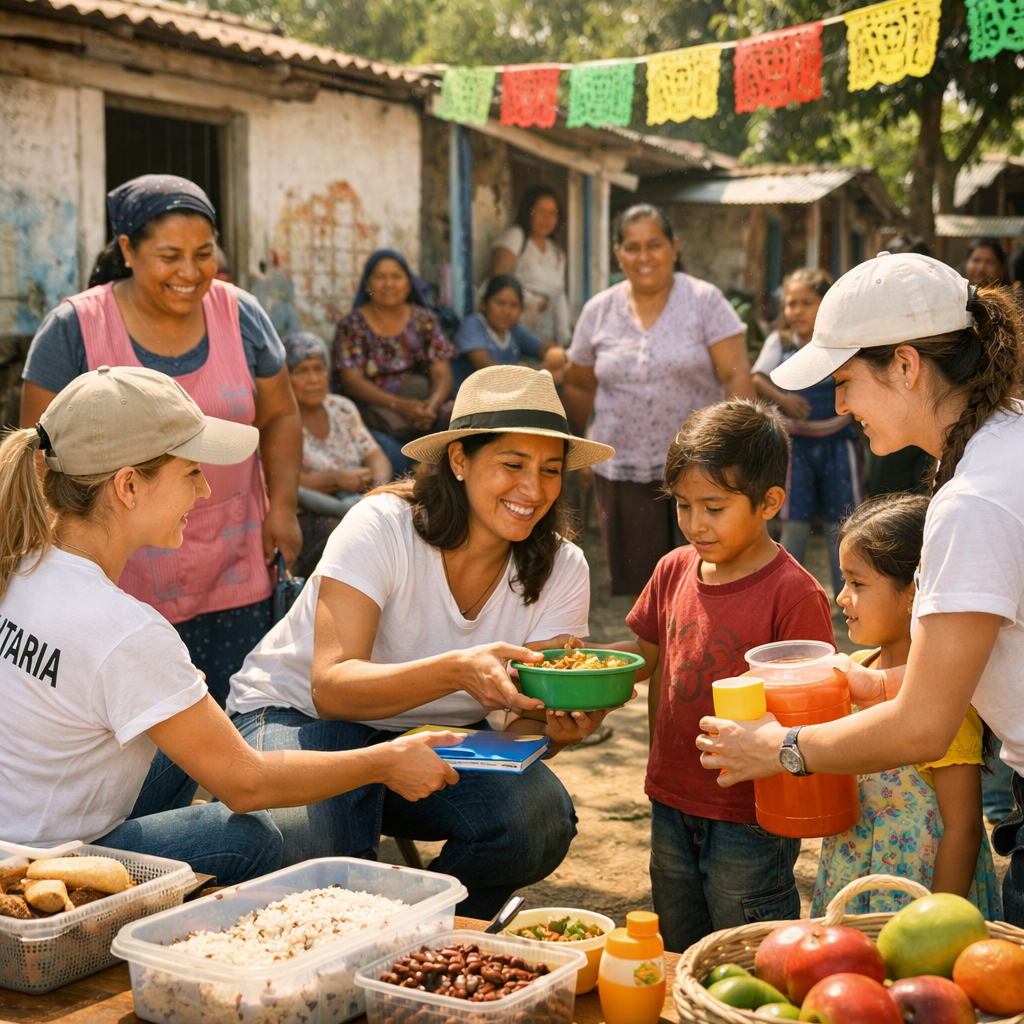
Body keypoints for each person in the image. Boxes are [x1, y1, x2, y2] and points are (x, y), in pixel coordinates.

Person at [0, 365, 463, 883]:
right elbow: (247, 783)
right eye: (190, 472)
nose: (204, 491)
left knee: (187, 730)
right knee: (247, 838)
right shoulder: (126, 631)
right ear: (128, 485)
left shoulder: (18, 561)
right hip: (41, 869)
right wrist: (383, 760)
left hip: (13, 828)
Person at [696, 252, 1024, 925]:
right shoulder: (1000, 445)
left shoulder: (975, 499)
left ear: (906, 366)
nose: (839, 404)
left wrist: (779, 749)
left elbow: (924, 727)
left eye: (846, 381)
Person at [227, 366, 620, 918]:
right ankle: (369, 931)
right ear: (459, 459)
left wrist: (553, 729)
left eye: (550, 471)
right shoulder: (383, 524)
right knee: (314, 848)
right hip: (296, 715)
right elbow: (331, 687)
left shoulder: (562, 565)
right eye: (512, 464)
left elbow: (527, 717)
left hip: (429, 742)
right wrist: (459, 671)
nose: (533, 490)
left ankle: (423, 927)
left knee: (537, 818)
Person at [20, 175, 302, 708]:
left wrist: (283, 506)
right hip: (120, 575)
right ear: (127, 249)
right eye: (169, 255)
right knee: (141, 742)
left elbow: (282, 413)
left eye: (204, 254)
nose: (191, 273)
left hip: (236, 562)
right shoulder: (73, 328)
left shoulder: (241, 314)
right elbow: (41, 459)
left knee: (239, 717)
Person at [591, 400, 835, 952]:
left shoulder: (794, 595)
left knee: (744, 950)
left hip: (750, 814)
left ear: (769, 502)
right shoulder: (673, 568)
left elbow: (812, 710)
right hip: (670, 795)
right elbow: (644, 657)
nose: (695, 523)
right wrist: (570, 661)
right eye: (682, 505)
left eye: (714, 507)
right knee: (680, 941)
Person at [812, 495, 1002, 920]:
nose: (841, 597)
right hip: (852, 874)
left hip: (922, 895)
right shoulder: (857, 671)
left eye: (857, 584)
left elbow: (965, 828)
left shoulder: (942, 699)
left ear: (915, 593)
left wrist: (934, 921)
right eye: (843, 581)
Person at [563, 204, 756, 597]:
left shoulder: (705, 301)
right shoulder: (599, 311)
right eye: (631, 247)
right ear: (617, 253)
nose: (644, 256)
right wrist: (573, 450)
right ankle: (652, 658)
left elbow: (737, 378)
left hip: (702, 468)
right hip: (624, 468)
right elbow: (579, 384)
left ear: (674, 247)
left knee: (705, 580)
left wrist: (744, 456)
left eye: (654, 244)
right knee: (643, 590)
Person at [751, 268, 861, 600]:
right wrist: (783, 399)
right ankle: (788, 597)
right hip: (794, 448)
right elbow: (758, 377)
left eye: (805, 303)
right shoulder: (781, 342)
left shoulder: (840, 341)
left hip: (837, 445)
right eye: (790, 304)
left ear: (826, 304)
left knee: (841, 526)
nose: (795, 311)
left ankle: (849, 596)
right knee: (793, 525)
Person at [332, 249, 457, 479]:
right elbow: (351, 381)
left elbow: (442, 372)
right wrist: (400, 406)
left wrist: (432, 405)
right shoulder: (352, 325)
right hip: (378, 411)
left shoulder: (424, 320)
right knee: (394, 457)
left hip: (423, 406)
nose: (388, 283)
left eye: (396, 277)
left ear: (409, 284)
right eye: (380, 277)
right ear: (367, 285)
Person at [285, 332, 392, 577]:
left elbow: (376, 457)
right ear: (285, 378)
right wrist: (335, 480)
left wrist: (376, 491)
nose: (313, 379)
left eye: (319, 369)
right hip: (310, 515)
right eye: (301, 371)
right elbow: (283, 481)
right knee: (344, 534)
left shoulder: (341, 407)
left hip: (358, 503)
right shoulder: (280, 420)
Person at [452, 275, 567, 394]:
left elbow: (542, 346)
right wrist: (534, 371)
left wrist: (553, 352)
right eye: (500, 303)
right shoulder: (473, 325)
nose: (506, 311)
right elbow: (486, 369)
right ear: (484, 304)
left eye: (514, 305)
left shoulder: (513, 329)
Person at [491, 186, 570, 347]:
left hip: (548, 335)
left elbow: (559, 295)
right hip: (517, 330)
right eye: (540, 211)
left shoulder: (557, 252)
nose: (546, 218)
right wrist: (530, 300)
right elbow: (497, 285)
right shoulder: (516, 236)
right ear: (528, 212)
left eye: (552, 213)